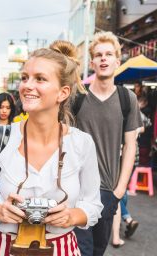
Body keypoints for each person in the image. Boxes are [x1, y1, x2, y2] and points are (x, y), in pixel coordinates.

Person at [0, 42, 103, 255]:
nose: (27, 85)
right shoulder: (0, 137)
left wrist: (71, 216)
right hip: (3, 246)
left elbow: (93, 205)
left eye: (40, 79)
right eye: (25, 77)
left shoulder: (81, 143)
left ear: (63, 92)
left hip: (62, 248)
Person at [72, 31, 143, 256]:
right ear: (91, 61)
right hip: (77, 190)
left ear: (117, 61)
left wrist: (119, 190)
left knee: (97, 250)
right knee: (80, 250)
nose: (103, 58)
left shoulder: (126, 99)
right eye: (99, 55)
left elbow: (131, 145)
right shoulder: (77, 98)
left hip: (108, 192)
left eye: (109, 54)